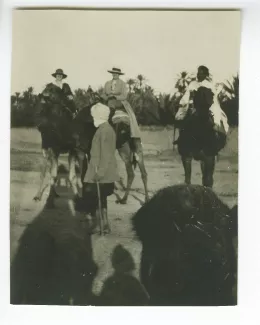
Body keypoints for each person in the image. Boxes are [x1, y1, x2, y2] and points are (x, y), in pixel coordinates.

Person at [79, 103, 119, 233]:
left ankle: (99, 224)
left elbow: (106, 154)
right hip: (99, 168)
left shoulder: (105, 131)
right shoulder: (103, 129)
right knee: (101, 198)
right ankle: (105, 223)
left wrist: (100, 173)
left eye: (93, 116)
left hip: (101, 170)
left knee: (95, 197)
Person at [174, 65, 229, 144]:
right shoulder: (192, 84)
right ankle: (182, 138)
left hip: (208, 105)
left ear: (205, 75)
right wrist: (183, 103)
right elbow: (186, 95)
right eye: (198, 73)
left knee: (216, 115)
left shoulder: (209, 85)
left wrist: (209, 103)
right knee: (181, 116)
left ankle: (216, 133)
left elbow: (213, 98)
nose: (198, 75)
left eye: (201, 73)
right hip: (193, 104)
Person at [102, 67, 142, 156]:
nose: (114, 74)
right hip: (108, 102)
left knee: (130, 117)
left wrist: (115, 97)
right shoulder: (107, 83)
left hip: (119, 102)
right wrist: (107, 97)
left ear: (119, 75)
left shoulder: (122, 84)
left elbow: (124, 95)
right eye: (113, 73)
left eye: (116, 73)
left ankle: (133, 137)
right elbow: (103, 94)